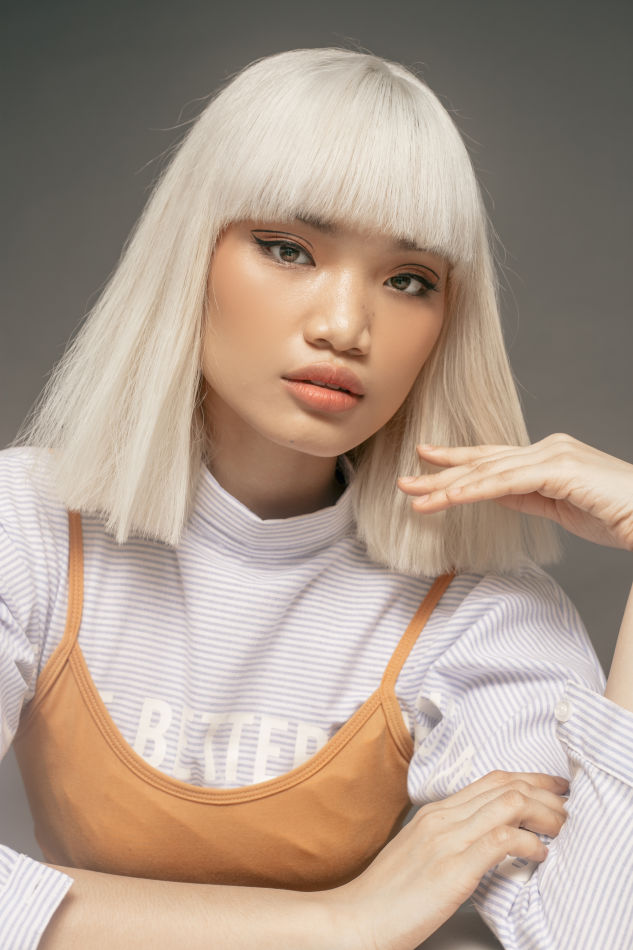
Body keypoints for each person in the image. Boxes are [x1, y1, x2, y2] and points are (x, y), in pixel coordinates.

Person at [0, 46, 631, 950]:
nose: (345, 327)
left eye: (407, 280)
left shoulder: (479, 608)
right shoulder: (26, 525)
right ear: (189, 255)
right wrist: (339, 923)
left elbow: (592, 937)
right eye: (287, 249)